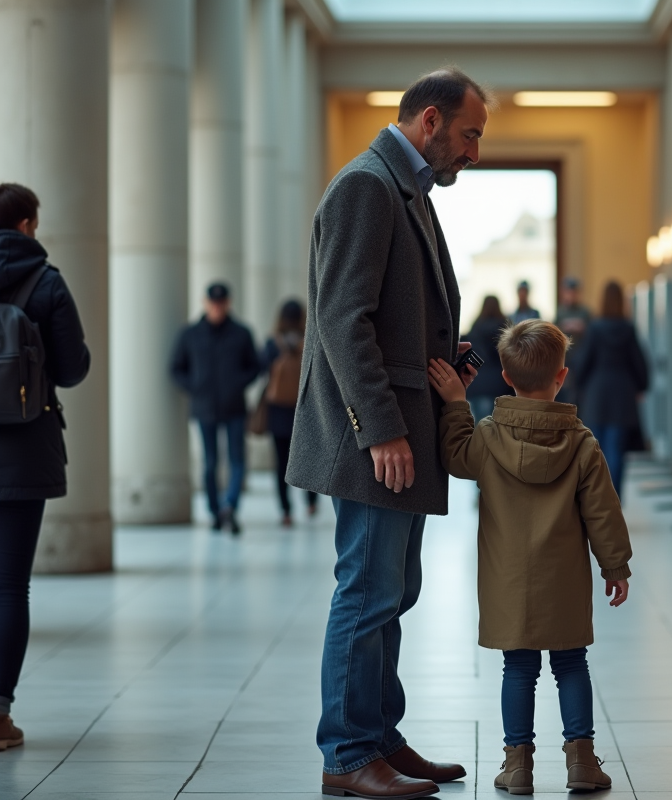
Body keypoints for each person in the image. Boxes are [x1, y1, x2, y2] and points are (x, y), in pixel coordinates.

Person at [285, 67, 491, 800]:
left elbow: (397, 316)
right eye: (469, 134)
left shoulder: (405, 190)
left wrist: (443, 370)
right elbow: (343, 321)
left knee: (394, 592)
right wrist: (381, 429)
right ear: (430, 121)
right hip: (375, 439)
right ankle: (346, 754)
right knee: (367, 591)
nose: (474, 151)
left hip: (402, 424)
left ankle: (378, 735)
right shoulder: (366, 187)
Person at [426, 319, 632, 795]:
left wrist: (456, 402)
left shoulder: (488, 437)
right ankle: (582, 763)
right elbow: (603, 511)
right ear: (561, 377)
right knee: (571, 665)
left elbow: (455, 457)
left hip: (509, 581)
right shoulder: (581, 442)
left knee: (518, 669)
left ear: (506, 376)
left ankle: (517, 766)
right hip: (564, 581)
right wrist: (615, 565)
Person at [0, 183, 91, 752]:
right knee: (9, 586)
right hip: (25, 448)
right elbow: (74, 367)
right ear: (29, 225)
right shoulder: (46, 281)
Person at [170, 282, 259, 535]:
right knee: (210, 463)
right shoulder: (190, 334)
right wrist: (194, 387)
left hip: (235, 407)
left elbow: (255, 365)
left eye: (221, 303)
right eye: (213, 302)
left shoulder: (241, 333)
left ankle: (229, 506)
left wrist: (238, 383)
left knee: (236, 460)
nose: (217, 307)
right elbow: (176, 368)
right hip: (204, 407)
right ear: (205, 302)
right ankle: (214, 512)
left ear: (228, 303)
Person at [573, 281, 649, 499]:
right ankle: (614, 501)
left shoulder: (594, 329)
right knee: (617, 451)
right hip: (622, 397)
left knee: (597, 451)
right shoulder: (628, 328)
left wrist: (578, 386)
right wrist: (641, 386)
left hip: (597, 397)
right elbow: (640, 363)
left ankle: (598, 501)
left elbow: (584, 363)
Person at [260, 299, 318, 526]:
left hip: (277, 413)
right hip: (305, 409)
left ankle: (285, 510)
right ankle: (311, 501)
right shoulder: (311, 340)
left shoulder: (272, 344)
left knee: (281, 462)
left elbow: (263, 368)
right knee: (309, 459)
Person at [463, 295, 512, 422]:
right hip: (500, 384)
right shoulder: (505, 328)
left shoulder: (475, 327)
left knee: (480, 428)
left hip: (476, 384)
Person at [554, 276, 591, 407]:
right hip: (565, 358)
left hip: (582, 357)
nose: (572, 295)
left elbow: (592, 333)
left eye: (574, 291)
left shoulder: (585, 311)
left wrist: (581, 327)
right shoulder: (560, 312)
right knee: (565, 393)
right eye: (569, 291)